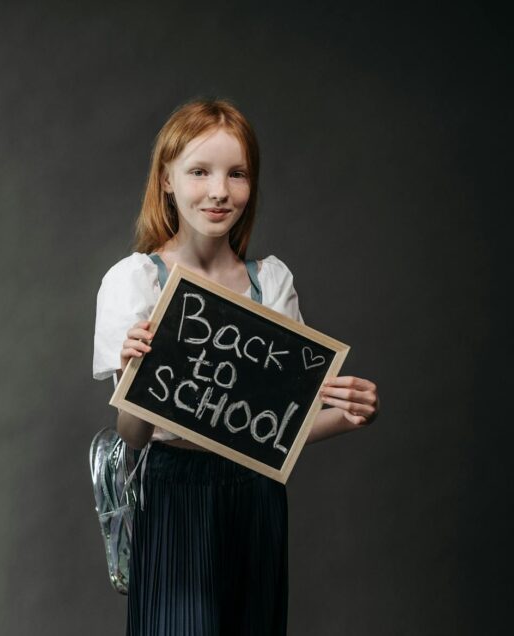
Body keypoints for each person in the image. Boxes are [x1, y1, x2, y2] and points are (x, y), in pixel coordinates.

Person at [93, 99, 379, 635]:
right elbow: (132, 435)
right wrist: (134, 373)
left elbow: (278, 432)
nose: (219, 190)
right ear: (167, 181)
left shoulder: (272, 281)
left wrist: (347, 416)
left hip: (256, 495)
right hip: (173, 489)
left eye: (237, 174)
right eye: (200, 172)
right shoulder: (135, 280)